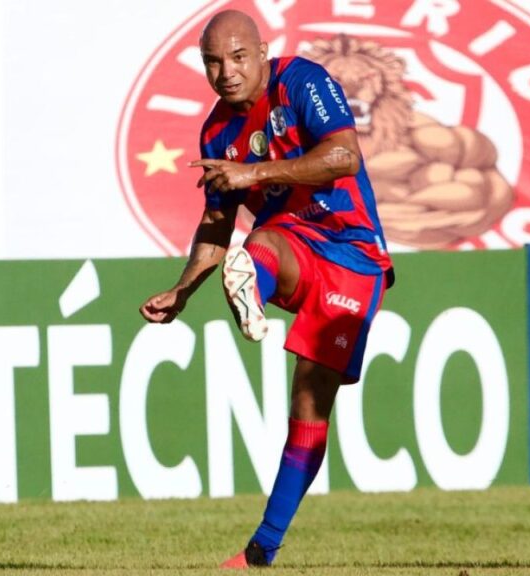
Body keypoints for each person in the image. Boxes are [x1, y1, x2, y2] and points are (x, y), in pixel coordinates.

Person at [139, 9, 393, 569]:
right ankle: (249, 279)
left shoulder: (300, 80)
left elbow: (344, 156)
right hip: (291, 244)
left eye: (237, 57)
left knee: (309, 404)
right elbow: (216, 223)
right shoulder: (215, 132)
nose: (226, 72)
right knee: (266, 242)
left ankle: (262, 550)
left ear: (261, 52)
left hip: (353, 251)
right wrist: (183, 289)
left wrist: (253, 175)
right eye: (212, 61)